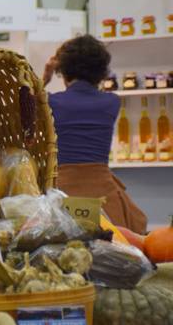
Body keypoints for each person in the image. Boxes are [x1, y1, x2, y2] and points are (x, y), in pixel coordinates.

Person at [44, 34, 147, 233]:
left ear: (63, 71)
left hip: (63, 192)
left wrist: (45, 77)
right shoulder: (112, 102)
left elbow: (28, 106)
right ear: (101, 71)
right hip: (104, 194)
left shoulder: (51, 102)